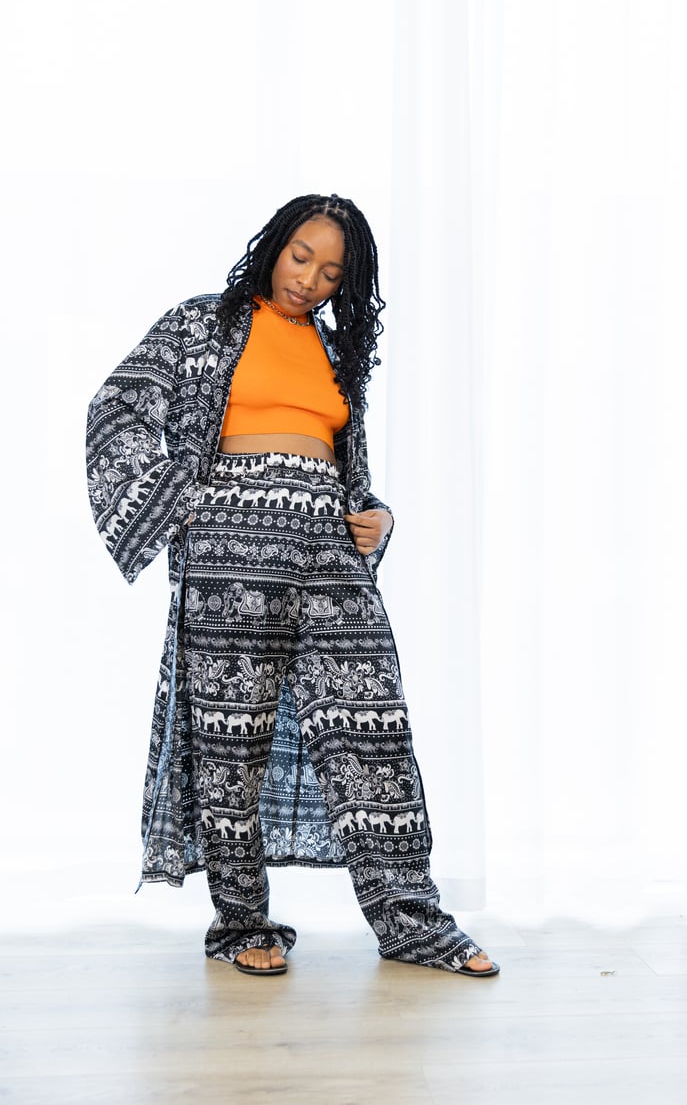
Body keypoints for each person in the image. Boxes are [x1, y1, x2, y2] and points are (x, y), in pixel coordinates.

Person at [86, 193, 498, 977]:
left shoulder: (337, 353)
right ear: (274, 246)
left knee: (373, 734)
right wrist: (184, 501)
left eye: (331, 272)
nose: (309, 279)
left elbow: (344, 470)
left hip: (327, 550)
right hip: (231, 555)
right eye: (300, 257)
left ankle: (412, 922)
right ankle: (242, 923)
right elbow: (118, 406)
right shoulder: (202, 323)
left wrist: (375, 515)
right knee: (230, 739)